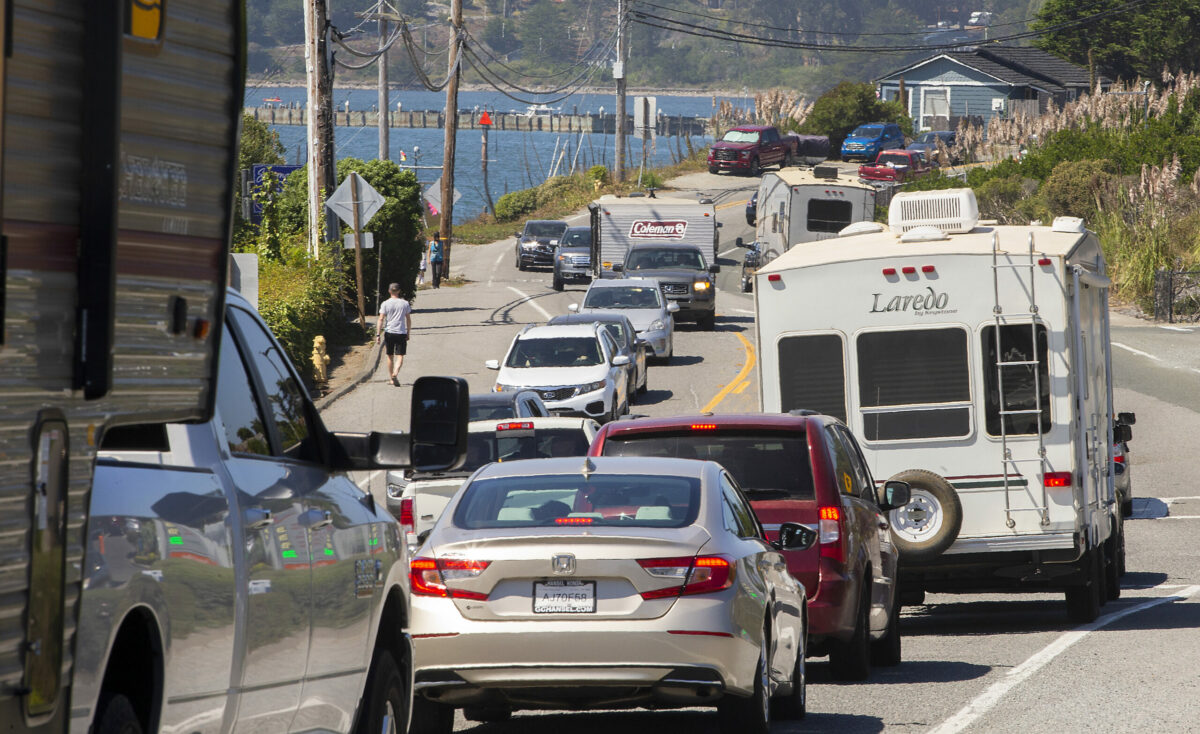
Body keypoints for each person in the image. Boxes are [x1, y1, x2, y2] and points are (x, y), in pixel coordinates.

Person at [376, 283, 412, 387]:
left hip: (389, 332)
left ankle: (391, 377)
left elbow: (381, 319)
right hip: (401, 332)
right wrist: (408, 332)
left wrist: (378, 335)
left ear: (389, 291)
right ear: (399, 291)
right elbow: (408, 319)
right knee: (400, 355)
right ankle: (395, 373)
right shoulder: (405, 303)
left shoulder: (385, 304)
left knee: (390, 356)